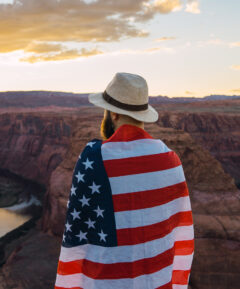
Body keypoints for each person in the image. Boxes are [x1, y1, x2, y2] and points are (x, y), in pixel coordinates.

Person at [54, 72, 194, 289]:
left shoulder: (94, 157)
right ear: (143, 115)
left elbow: (77, 236)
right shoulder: (171, 159)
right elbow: (180, 229)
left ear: (113, 114)